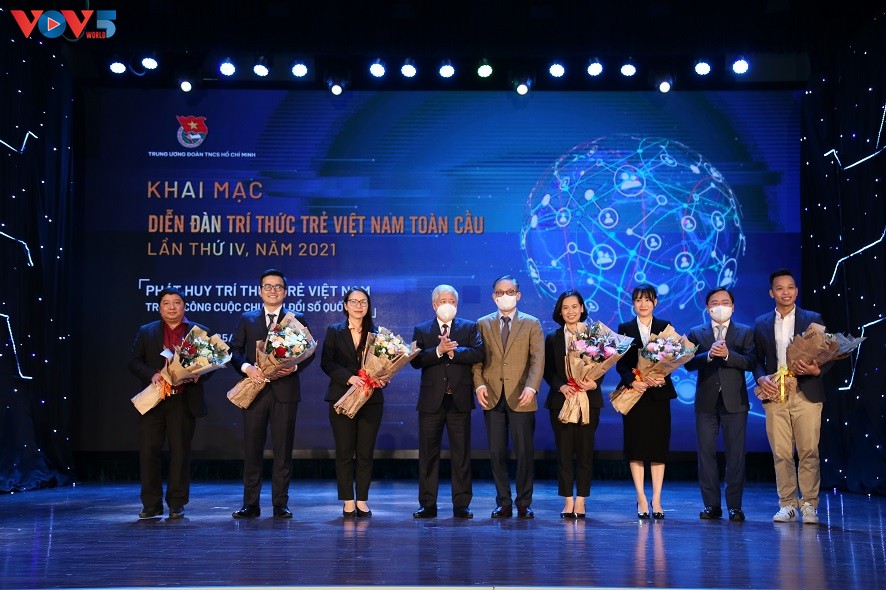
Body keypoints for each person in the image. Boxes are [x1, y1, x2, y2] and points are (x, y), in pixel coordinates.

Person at [229, 269, 314, 519]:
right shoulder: (247, 319)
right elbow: (234, 350)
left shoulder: (296, 318)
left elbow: (309, 351)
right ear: (260, 291)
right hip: (254, 391)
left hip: (285, 392)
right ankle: (250, 504)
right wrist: (247, 368)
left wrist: (294, 367)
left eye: (278, 287)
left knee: (283, 451)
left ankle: (280, 504)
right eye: (268, 286)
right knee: (252, 450)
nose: (273, 290)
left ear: (285, 292)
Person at [753, 268, 832, 525]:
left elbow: (829, 353)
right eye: (779, 288)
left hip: (806, 391)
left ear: (796, 291)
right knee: (781, 452)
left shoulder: (812, 318)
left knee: (808, 450)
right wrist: (761, 378)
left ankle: (809, 504)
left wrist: (817, 370)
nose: (785, 292)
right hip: (775, 392)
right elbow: (756, 359)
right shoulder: (761, 323)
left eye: (790, 287)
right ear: (771, 293)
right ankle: (787, 504)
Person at [128, 287, 210, 519]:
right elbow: (134, 361)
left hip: (184, 399)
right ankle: (151, 504)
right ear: (159, 307)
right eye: (166, 303)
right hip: (154, 398)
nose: (172, 307)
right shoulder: (147, 331)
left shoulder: (199, 331)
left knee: (180, 452)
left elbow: (210, 364)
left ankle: (177, 503)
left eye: (176, 302)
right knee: (149, 451)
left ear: (184, 306)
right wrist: (152, 374)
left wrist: (199, 375)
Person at [472, 275, 545, 519]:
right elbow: (477, 361)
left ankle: (524, 502)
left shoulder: (532, 323)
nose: (505, 296)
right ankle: (503, 502)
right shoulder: (482, 323)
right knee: (496, 453)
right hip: (492, 395)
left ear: (518, 295)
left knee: (524, 453)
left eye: (510, 291)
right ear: (493, 296)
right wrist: (479, 386)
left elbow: (537, 360)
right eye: (500, 292)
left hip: (522, 395)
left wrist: (532, 388)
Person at [410, 285, 484, 519]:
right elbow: (416, 360)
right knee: (428, 455)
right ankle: (427, 504)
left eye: (452, 301)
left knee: (461, 455)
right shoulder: (422, 329)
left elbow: (479, 353)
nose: (448, 304)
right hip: (431, 402)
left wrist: (454, 352)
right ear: (434, 305)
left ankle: (461, 504)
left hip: (459, 400)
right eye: (443, 301)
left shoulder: (469, 327)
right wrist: (439, 350)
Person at [685, 288, 756, 521]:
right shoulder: (696, 333)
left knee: (736, 455)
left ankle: (735, 506)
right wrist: (708, 355)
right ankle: (711, 505)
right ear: (707, 308)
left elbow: (750, 362)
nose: (720, 306)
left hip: (735, 402)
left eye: (725, 302)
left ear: (733, 307)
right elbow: (687, 363)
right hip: (706, 403)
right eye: (714, 302)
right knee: (706, 455)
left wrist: (727, 355)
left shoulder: (745, 332)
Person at [321, 287, 385, 518]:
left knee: (365, 452)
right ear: (345, 305)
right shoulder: (334, 331)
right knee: (345, 452)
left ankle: (363, 500)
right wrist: (349, 378)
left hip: (371, 399)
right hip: (341, 397)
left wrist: (382, 378)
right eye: (354, 301)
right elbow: (327, 363)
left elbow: (386, 365)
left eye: (363, 302)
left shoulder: (378, 333)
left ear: (368, 306)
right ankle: (348, 500)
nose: (359, 306)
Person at [615, 284, 677, 519]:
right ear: (633, 303)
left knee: (658, 448)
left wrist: (661, 375)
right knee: (637, 447)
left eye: (648, 300)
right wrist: (633, 380)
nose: (643, 304)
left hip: (658, 394)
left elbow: (673, 358)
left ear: (655, 302)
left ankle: (657, 499)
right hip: (635, 395)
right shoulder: (625, 328)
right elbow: (620, 363)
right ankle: (641, 497)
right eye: (638, 300)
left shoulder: (665, 327)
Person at [543, 289, 604, 518]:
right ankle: (568, 500)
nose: (570, 311)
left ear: (582, 308)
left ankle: (581, 501)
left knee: (585, 453)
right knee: (564, 453)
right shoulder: (553, 338)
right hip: (562, 401)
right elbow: (547, 370)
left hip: (588, 400)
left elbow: (602, 365)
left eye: (574, 307)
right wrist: (561, 386)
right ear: (560, 311)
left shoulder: (594, 335)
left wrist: (594, 383)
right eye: (565, 307)